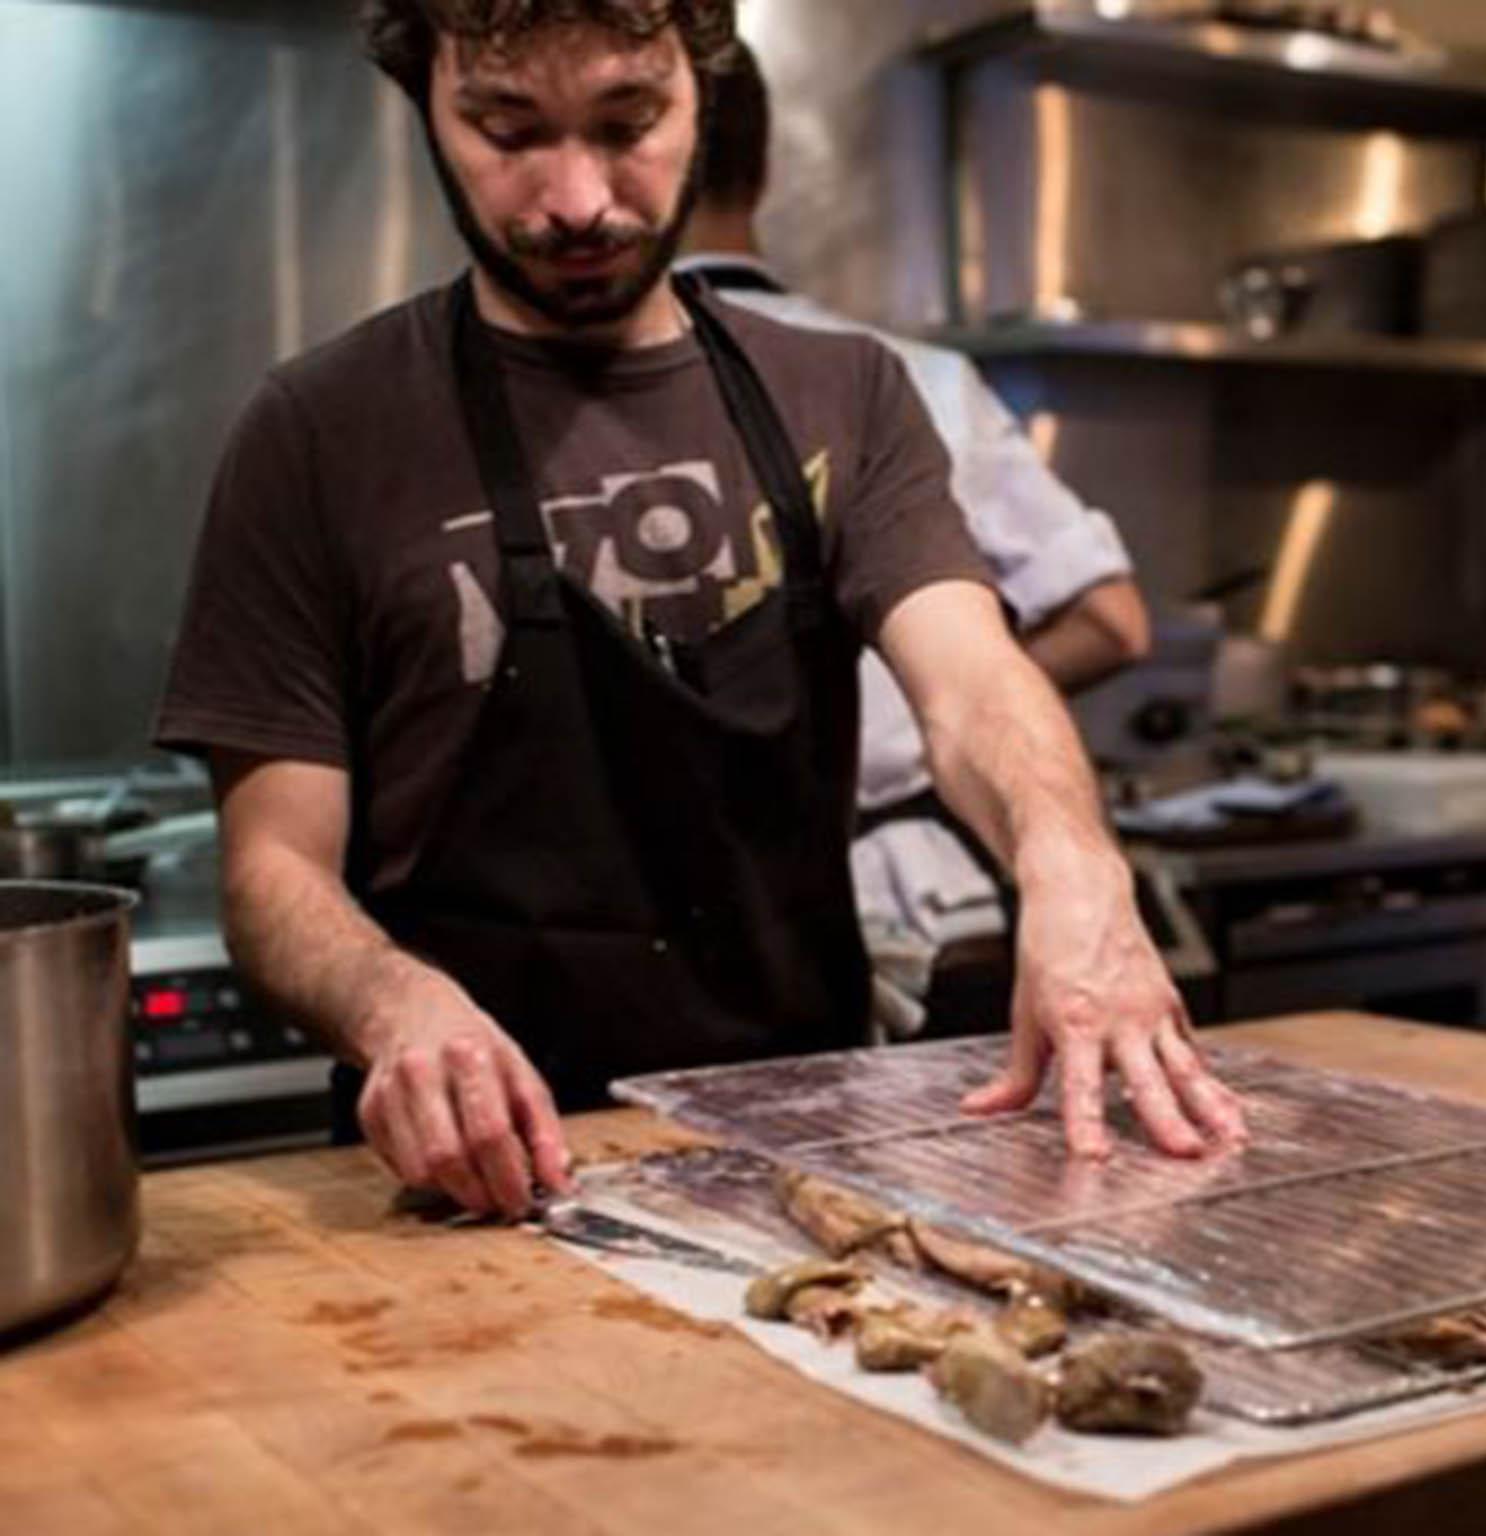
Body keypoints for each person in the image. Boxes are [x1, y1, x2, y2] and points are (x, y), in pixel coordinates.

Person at [155, 0, 1245, 1218]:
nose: (576, 198)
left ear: (704, 90)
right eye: (506, 131)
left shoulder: (842, 395)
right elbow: (270, 868)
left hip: (804, 1166)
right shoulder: (318, 433)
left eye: (629, 122)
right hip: (470, 1180)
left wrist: (1070, 865)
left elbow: (973, 680)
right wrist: (388, 1003)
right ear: (425, 106)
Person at [674, 42, 1151, 1035]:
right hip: (935, 911)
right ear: (763, 170)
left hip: (702, 928)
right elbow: (1111, 620)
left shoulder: (582, 406)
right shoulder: (918, 376)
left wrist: (966, 691)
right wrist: (923, 716)